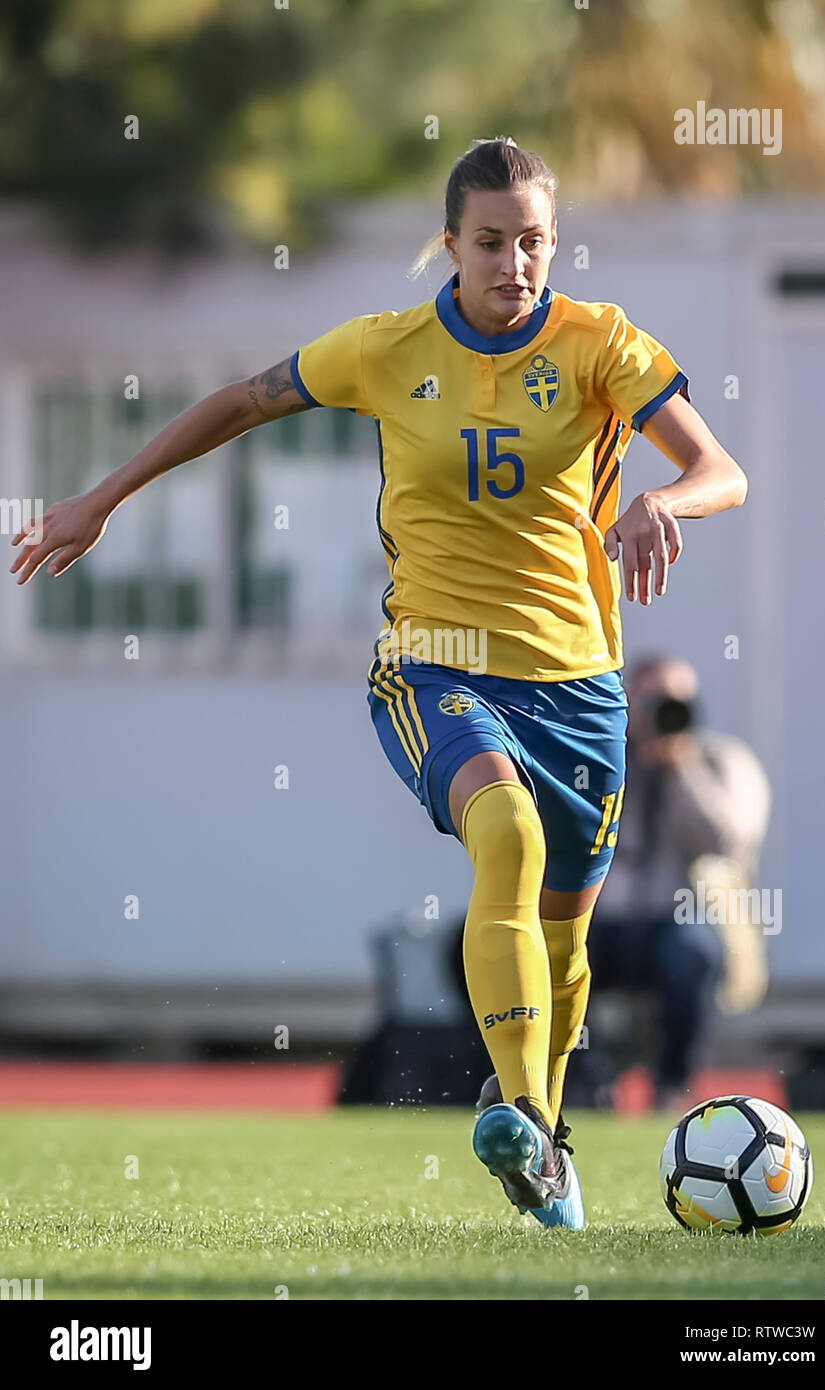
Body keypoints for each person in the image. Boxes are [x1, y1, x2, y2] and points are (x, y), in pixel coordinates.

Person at [9, 137, 748, 1231]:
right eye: (490, 242)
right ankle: (527, 1124)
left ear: (553, 243)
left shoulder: (603, 346)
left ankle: (541, 1137)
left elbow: (719, 470)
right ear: (448, 244)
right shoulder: (384, 349)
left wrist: (660, 504)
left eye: (533, 241)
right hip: (434, 660)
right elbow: (240, 401)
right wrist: (104, 498)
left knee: (565, 937)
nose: (514, 264)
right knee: (507, 836)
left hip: (580, 681)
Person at [585, 655, 772, 1110]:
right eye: (648, 700)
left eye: (672, 701)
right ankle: (581, 1085)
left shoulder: (715, 760)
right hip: (598, 920)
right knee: (547, 957)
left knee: (693, 959)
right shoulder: (597, 756)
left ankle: (672, 1086)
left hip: (668, 921)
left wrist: (680, 768)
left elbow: (727, 840)